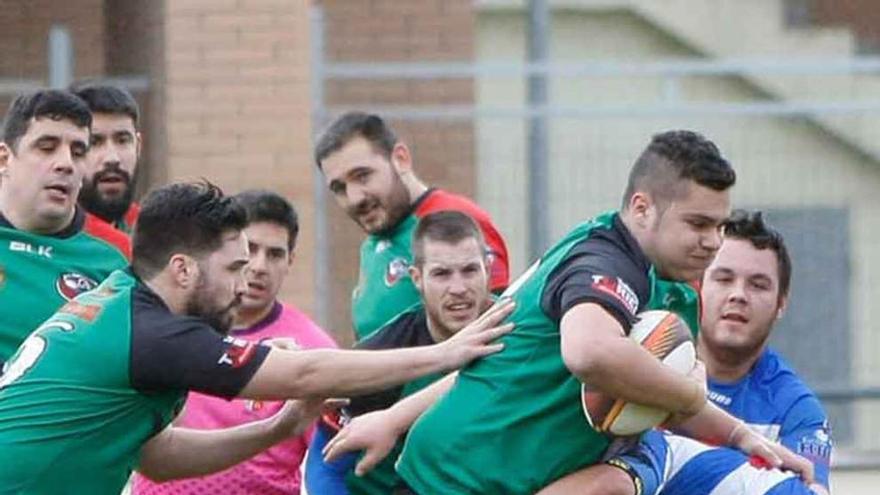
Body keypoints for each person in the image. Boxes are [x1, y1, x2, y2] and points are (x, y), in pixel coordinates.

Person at [322, 131, 813, 494]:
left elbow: (498, 356)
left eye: (720, 226)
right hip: (450, 482)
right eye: (698, 224)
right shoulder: (601, 258)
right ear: (642, 209)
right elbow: (590, 351)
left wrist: (742, 436)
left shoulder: (674, 291)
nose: (712, 241)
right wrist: (689, 392)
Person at [0, 181, 514, 494]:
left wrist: (276, 430)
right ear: (181, 270)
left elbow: (157, 455)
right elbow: (305, 372)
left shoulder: (124, 305)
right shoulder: (155, 334)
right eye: (233, 267)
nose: (243, 283)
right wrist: (447, 353)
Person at [538, 210, 832, 495]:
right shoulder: (629, 362)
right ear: (698, 286)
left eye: (758, 285)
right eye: (724, 278)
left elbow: (811, 489)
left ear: (781, 303)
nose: (738, 295)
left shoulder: (796, 408)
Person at [132, 190, 338, 495]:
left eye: (275, 254)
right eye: (250, 250)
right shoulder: (165, 330)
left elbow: (331, 461)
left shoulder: (311, 349)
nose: (258, 266)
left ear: (291, 260)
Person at [302, 210, 495, 495]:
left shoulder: (518, 331)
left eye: (470, 270)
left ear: (488, 269)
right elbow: (324, 466)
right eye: (441, 274)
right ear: (416, 278)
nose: (459, 288)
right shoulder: (383, 353)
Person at [314, 112, 510, 340]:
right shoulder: (373, 244)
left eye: (363, 176)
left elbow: (498, 327)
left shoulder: (457, 219)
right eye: (339, 188)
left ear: (400, 159)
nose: (354, 197)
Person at [0, 89, 130, 363]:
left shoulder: (117, 257)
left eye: (78, 152)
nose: (66, 164)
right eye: (46, 148)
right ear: (4, 159)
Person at [71, 81, 143, 234]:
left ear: (138, 146)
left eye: (122, 140)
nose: (112, 158)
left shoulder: (154, 233)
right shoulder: (38, 239)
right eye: (94, 142)